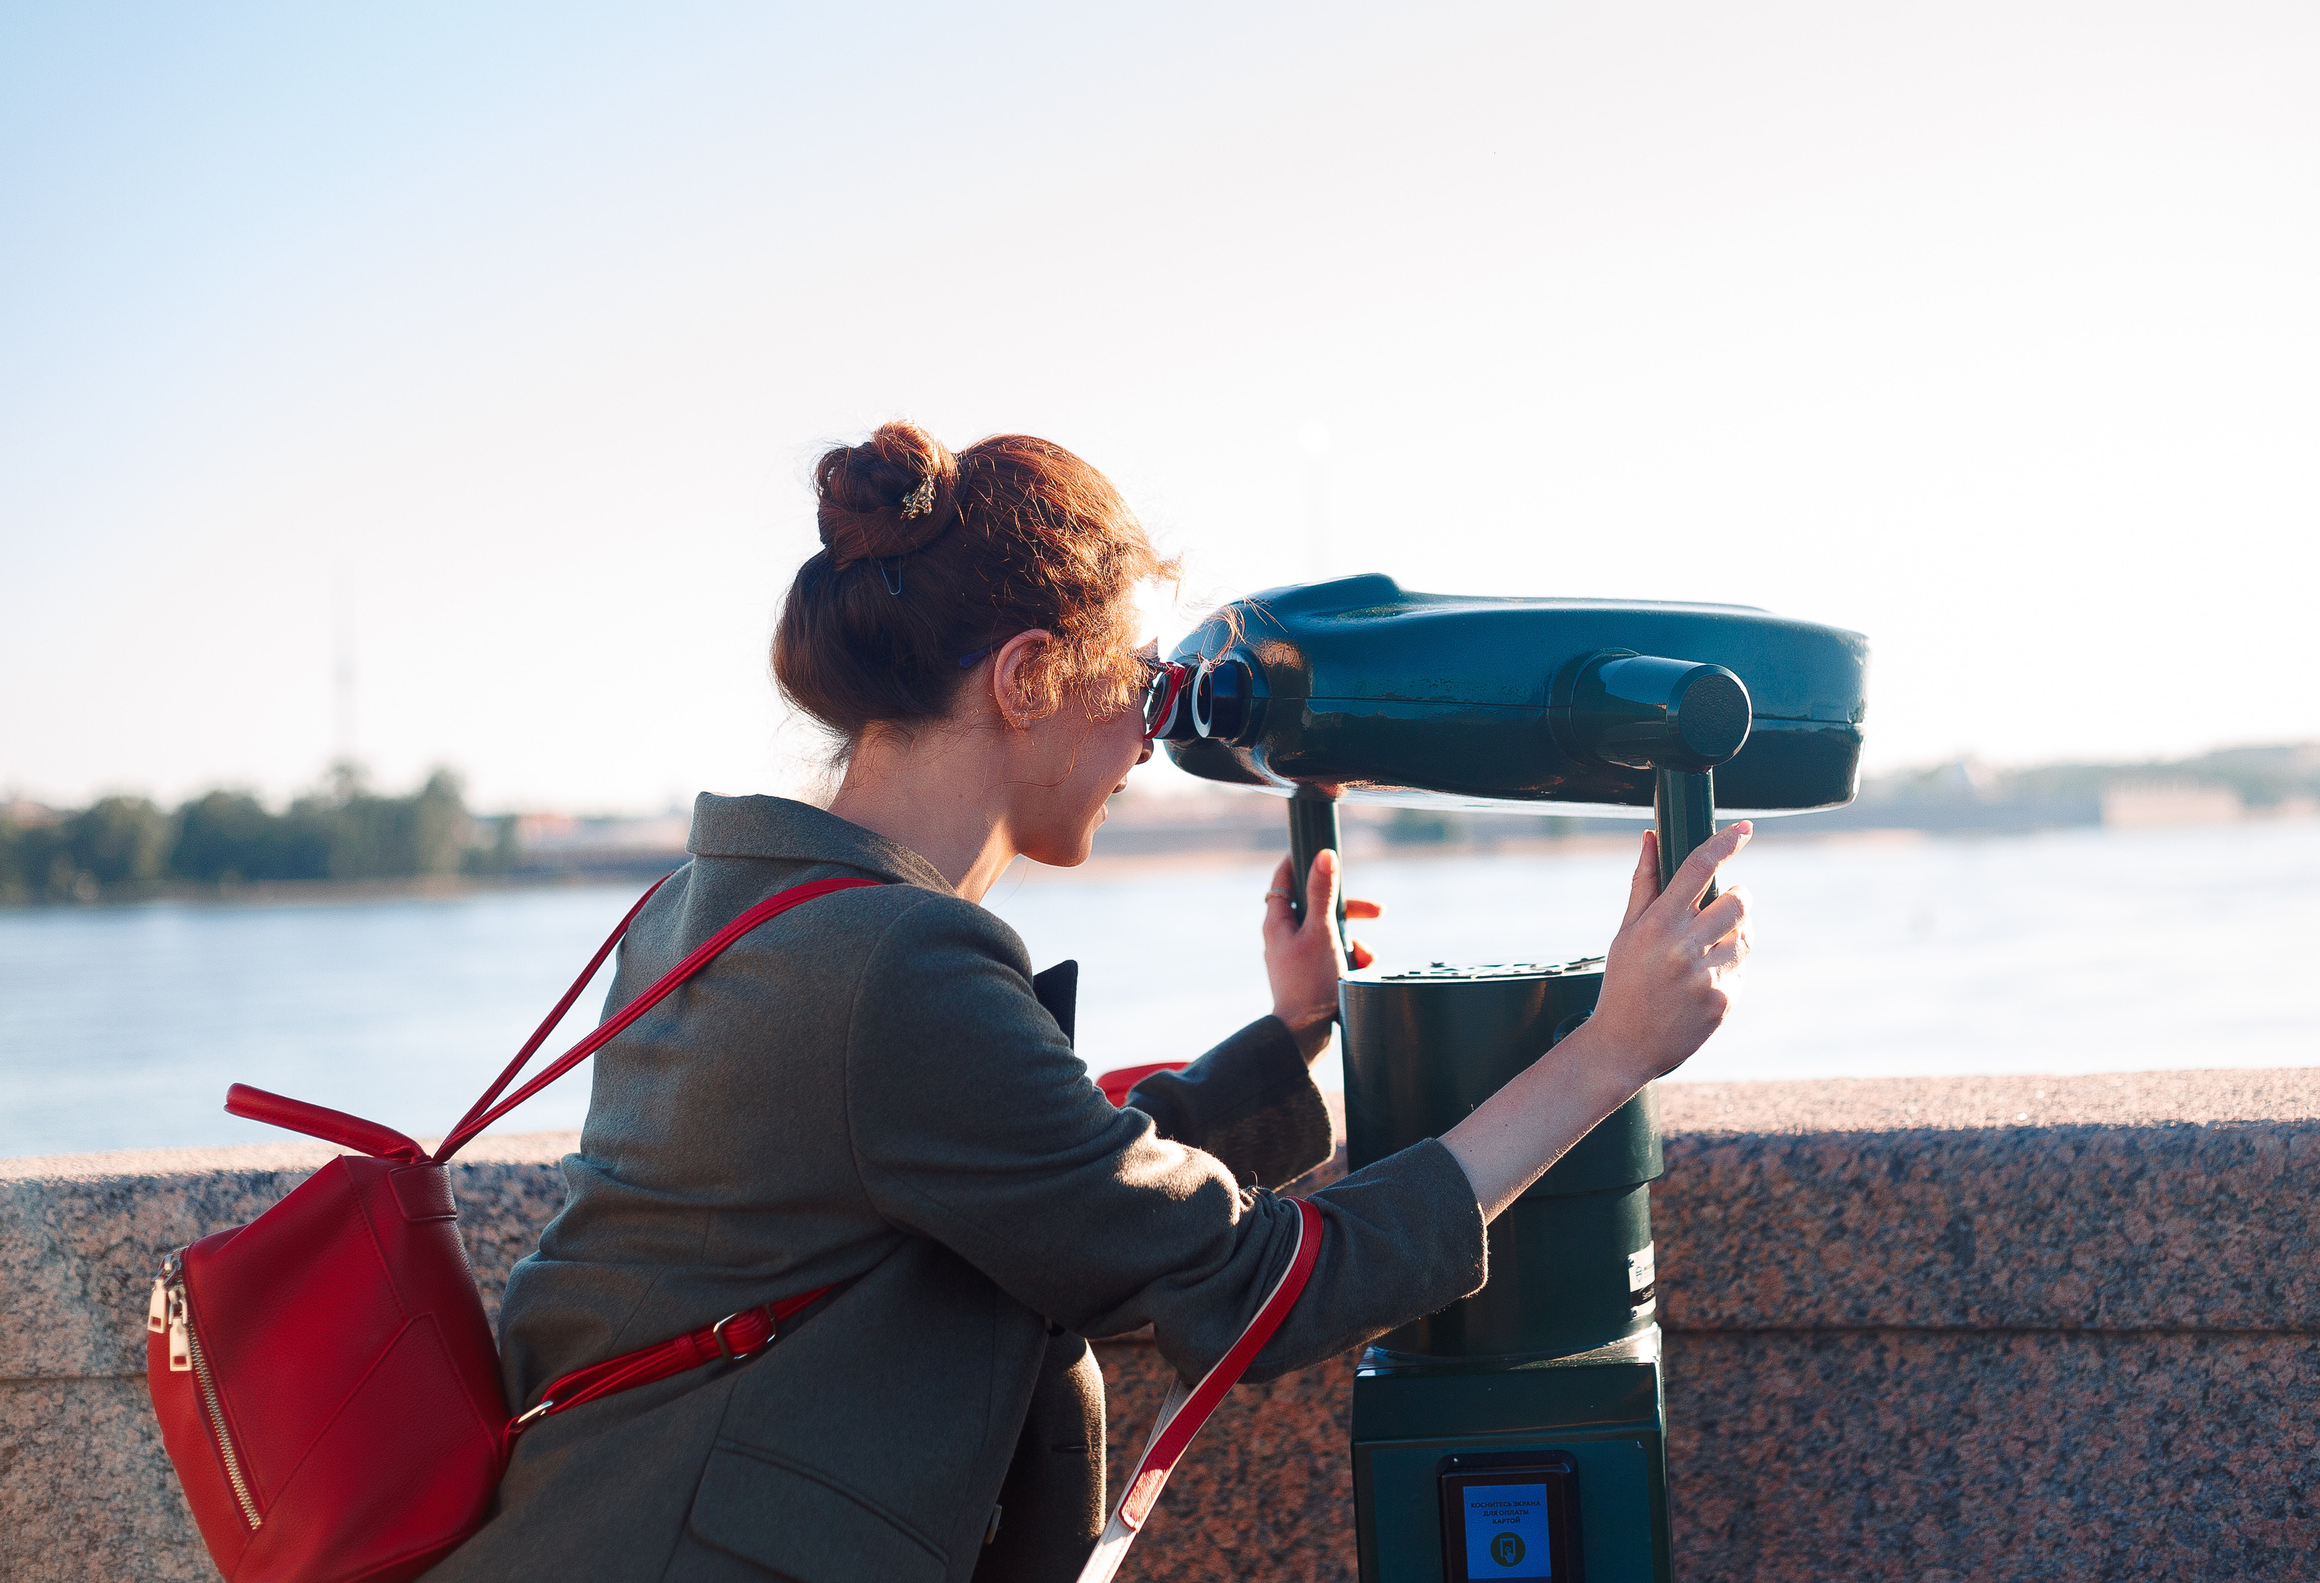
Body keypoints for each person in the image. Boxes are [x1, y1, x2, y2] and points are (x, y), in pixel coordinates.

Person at [427, 422, 1752, 1583]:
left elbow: (1028, 1191)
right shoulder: (897, 964)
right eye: (1133, 684)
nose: (1145, 740)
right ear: (1023, 679)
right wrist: (1609, 1053)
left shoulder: (724, 903)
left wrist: (1293, 1033)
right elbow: (1245, 1287)